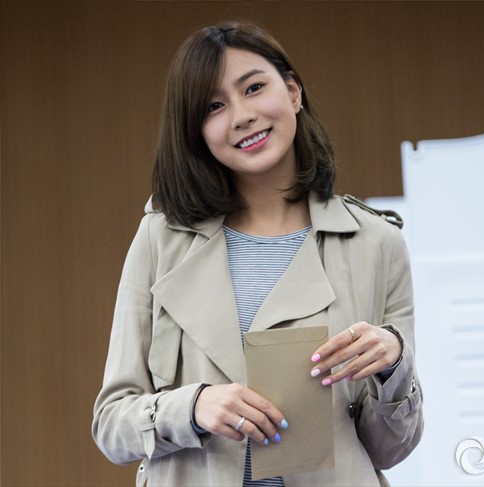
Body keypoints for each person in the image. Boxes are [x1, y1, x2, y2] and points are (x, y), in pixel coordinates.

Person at [92, 20, 423, 487]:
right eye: (214, 106)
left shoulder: (377, 242)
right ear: (197, 131)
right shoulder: (160, 239)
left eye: (253, 88)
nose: (242, 115)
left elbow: (391, 449)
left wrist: (394, 365)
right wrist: (193, 407)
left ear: (293, 92)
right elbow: (111, 426)